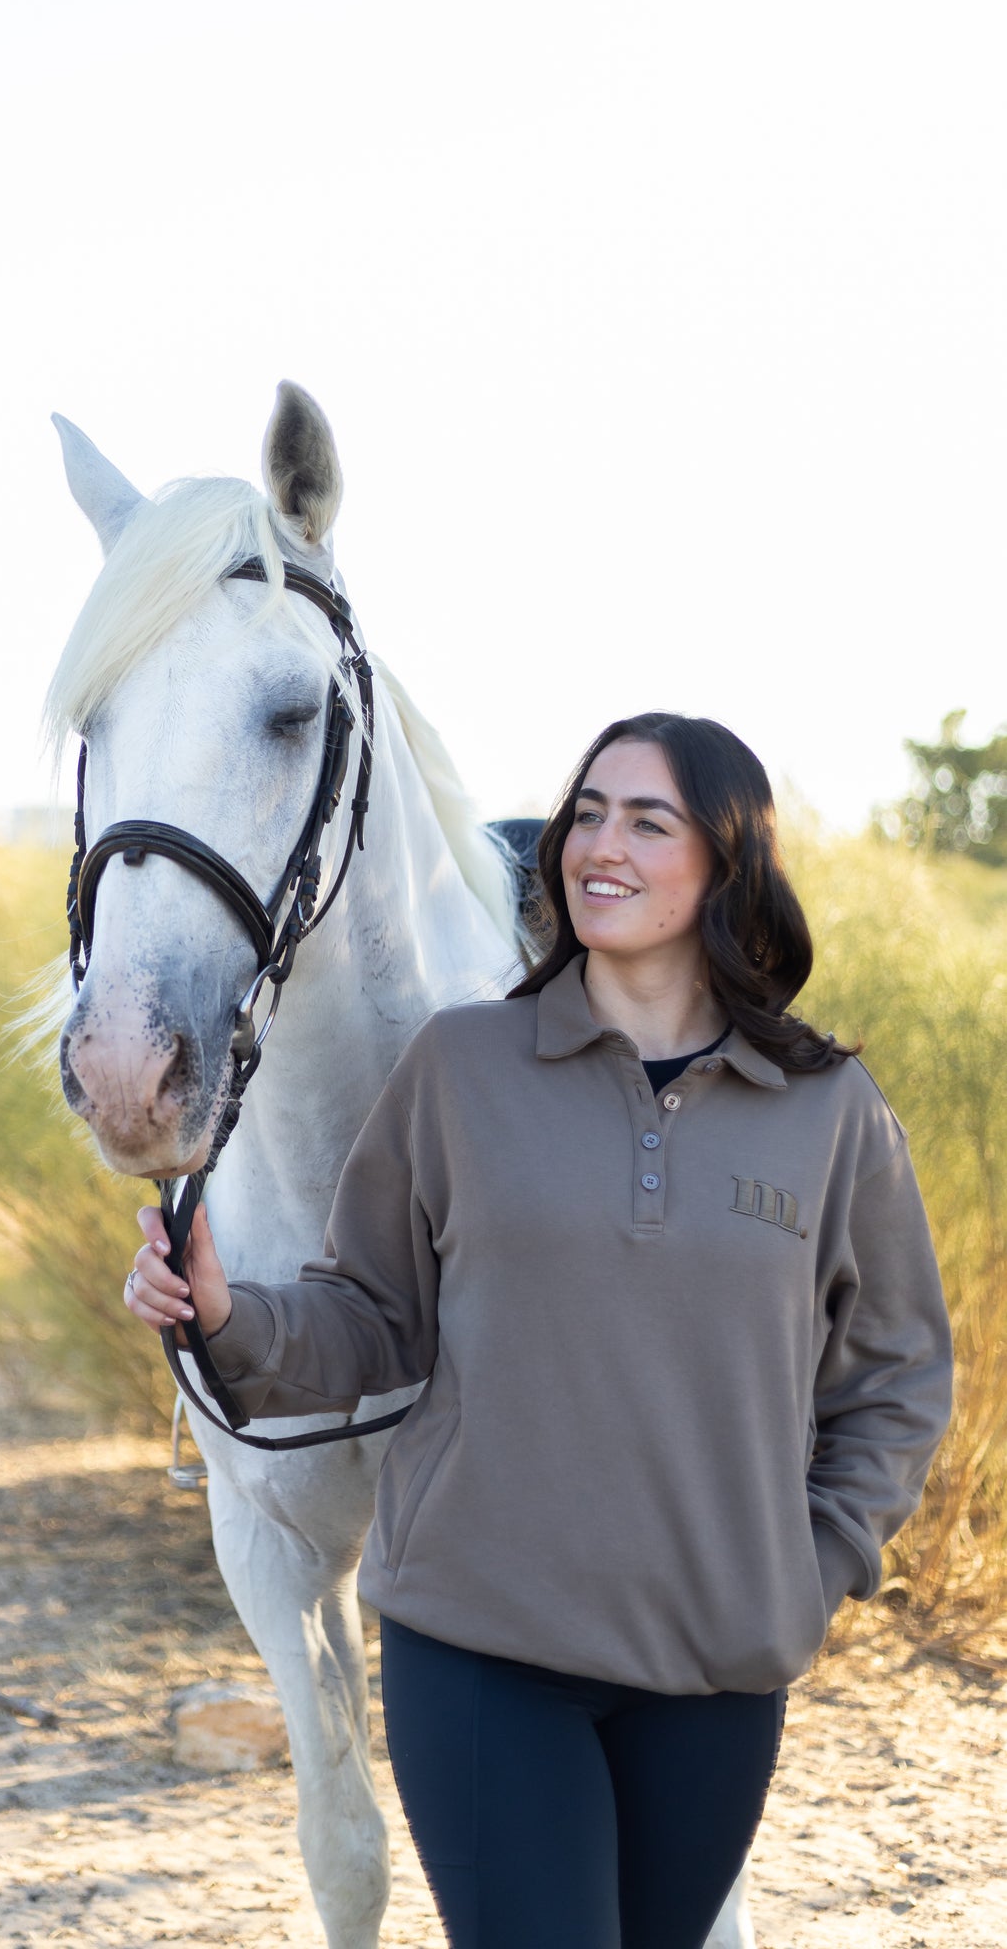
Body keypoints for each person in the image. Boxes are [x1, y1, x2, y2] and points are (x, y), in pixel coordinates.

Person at [124, 712, 954, 1949]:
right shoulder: (463, 1066)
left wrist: (811, 1563)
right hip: (480, 1648)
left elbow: (894, 1374)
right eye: (586, 812)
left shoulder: (826, 1110)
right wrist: (230, 1316)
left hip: (714, 1670)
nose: (595, 843)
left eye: (645, 819)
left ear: (728, 862)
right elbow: (373, 1318)